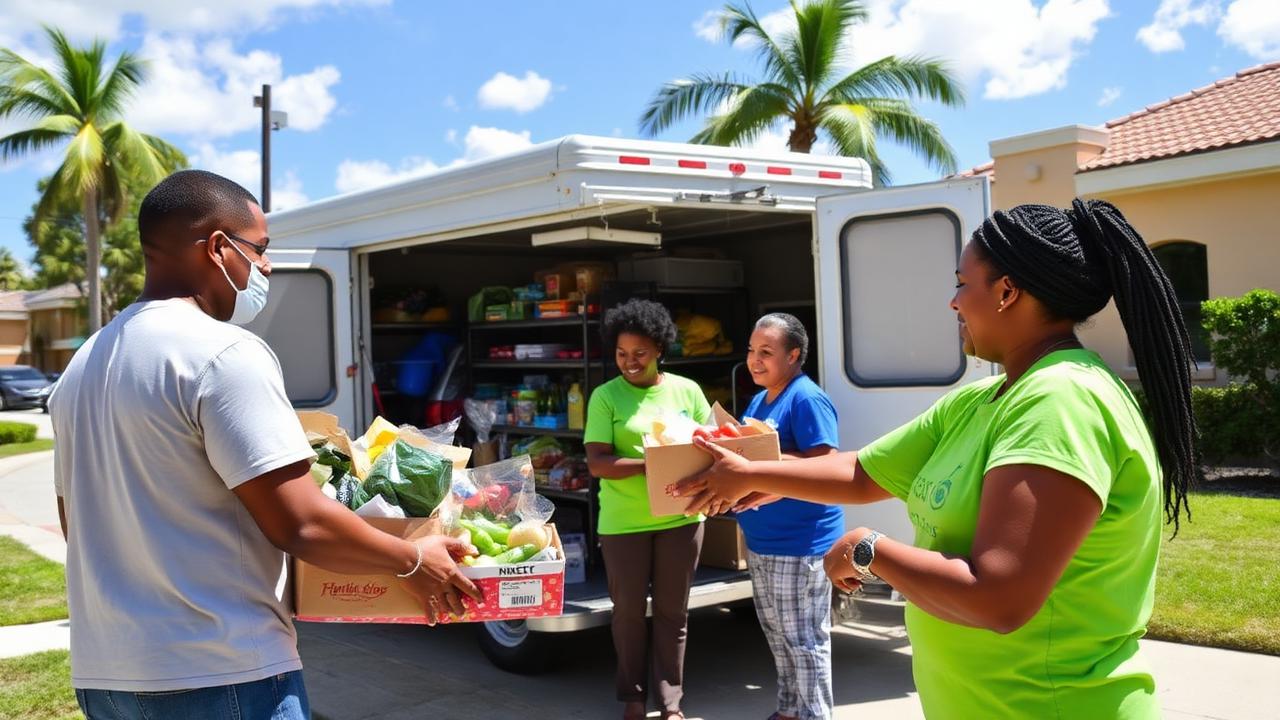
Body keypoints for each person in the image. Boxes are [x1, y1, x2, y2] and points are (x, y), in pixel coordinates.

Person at [673, 199, 1198, 719]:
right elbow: (861, 472)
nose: (953, 302)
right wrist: (750, 475)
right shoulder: (983, 400)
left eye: (962, 284)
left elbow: (998, 597)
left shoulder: (1059, 401)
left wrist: (868, 548)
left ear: (1008, 292)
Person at [51, 170, 481, 720]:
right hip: (221, 673)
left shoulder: (81, 365)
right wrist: (412, 559)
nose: (267, 267)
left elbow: (76, 525)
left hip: (106, 678)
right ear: (216, 248)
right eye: (259, 249)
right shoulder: (224, 353)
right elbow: (300, 523)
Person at [584, 298, 712, 720]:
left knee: (674, 614)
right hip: (623, 524)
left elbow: (707, 448)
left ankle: (671, 703)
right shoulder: (605, 397)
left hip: (682, 518)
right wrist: (653, 462)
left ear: (659, 348)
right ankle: (633, 699)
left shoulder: (688, 391)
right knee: (628, 615)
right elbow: (598, 463)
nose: (629, 362)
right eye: (621, 354)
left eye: (639, 353)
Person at [733, 313, 842, 720]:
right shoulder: (760, 400)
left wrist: (763, 481)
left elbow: (825, 465)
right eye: (751, 350)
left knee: (805, 641)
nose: (755, 360)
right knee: (779, 637)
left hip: (801, 544)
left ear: (794, 355)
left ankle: (814, 715)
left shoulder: (806, 397)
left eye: (766, 352)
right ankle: (789, 711)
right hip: (764, 543)